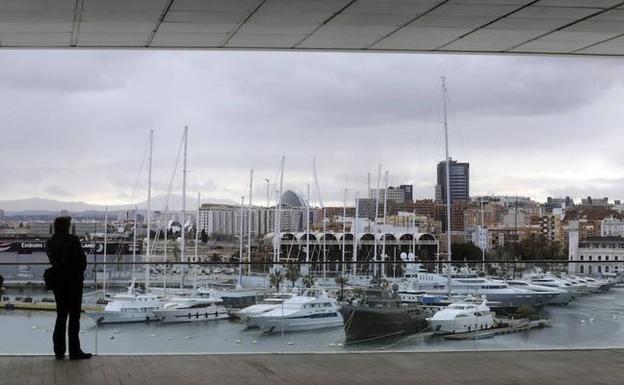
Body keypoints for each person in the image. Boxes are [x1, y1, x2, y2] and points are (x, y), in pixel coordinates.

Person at [46, 216, 92, 360]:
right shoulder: (73, 240)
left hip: (58, 282)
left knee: (61, 316)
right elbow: (81, 262)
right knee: (74, 318)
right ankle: (74, 351)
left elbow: (54, 261)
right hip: (73, 282)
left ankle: (59, 351)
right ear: (67, 226)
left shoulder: (50, 242)